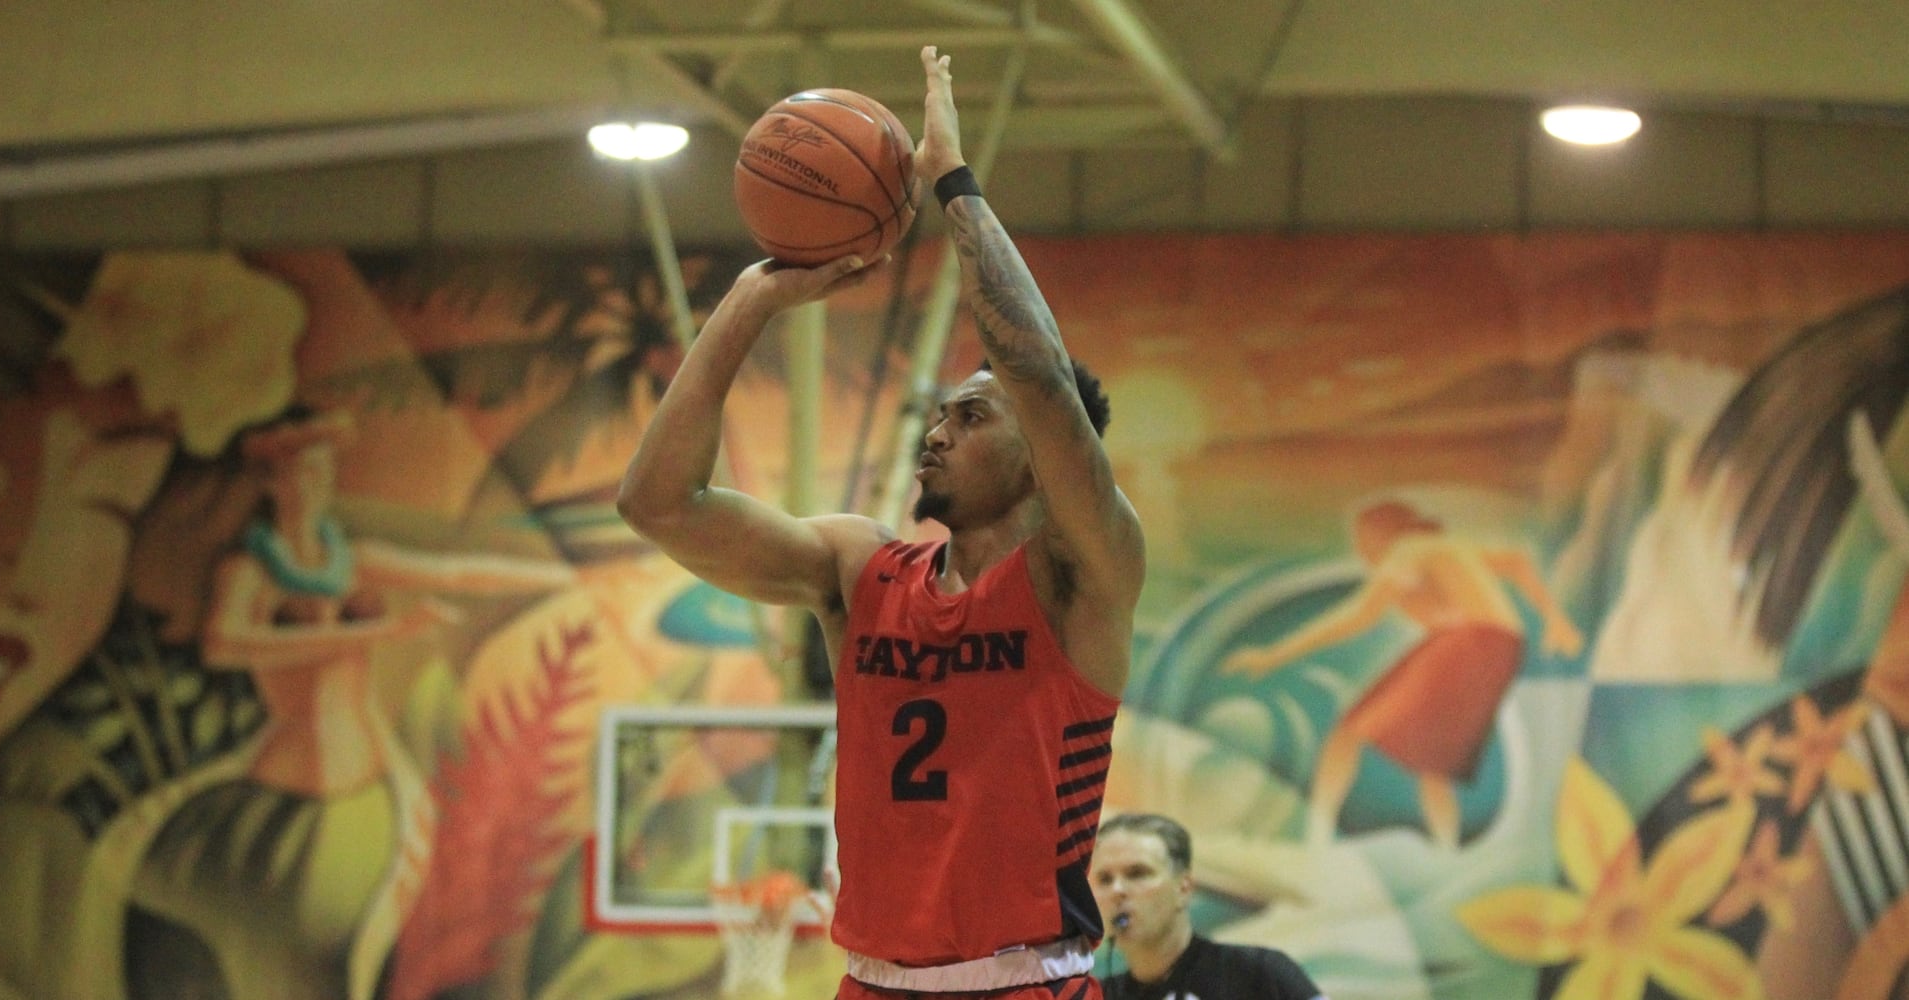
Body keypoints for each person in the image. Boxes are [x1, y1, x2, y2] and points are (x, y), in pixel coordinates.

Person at [617, 45, 1145, 999]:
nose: (936, 432)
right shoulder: (857, 570)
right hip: (869, 981)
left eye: (970, 417)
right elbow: (657, 504)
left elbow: (1034, 370)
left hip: (1027, 983)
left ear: (1041, 452)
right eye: (939, 413)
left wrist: (950, 181)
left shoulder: (1081, 575)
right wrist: (753, 298)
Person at [1223, 499, 1583, 850]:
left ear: (1384, 534)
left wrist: (1273, 655)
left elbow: (1360, 614)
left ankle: (1314, 835)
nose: (1361, 551)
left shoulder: (1408, 549)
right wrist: (1556, 619)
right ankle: (1445, 847)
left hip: (1466, 642)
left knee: (1348, 733)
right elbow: (1518, 561)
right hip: (1501, 648)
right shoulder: (1442, 547)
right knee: (1432, 766)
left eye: (1363, 540)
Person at [1091, 813, 1326, 1000]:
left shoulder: (1258, 974)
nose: (1117, 890)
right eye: (1104, 879)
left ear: (1184, 888)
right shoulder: (1095, 996)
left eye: (1137, 873)